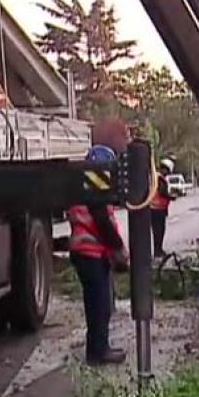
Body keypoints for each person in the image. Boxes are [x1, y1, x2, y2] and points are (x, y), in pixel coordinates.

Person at [68, 125, 130, 366]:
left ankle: (100, 347)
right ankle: (97, 352)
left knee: (99, 304)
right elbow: (102, 222)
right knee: (99, 306)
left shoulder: (82, 187)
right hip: (90, 253)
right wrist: (118, 249)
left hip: (87, 253)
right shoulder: (96, 192)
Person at [151, 159, 177, 258]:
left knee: (157, 231)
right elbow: (162, 193)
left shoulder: (156, 177)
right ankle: (158, 251)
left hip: (155, 209)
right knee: (159, 231)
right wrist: (171, 197)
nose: (168, 174)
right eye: (168, 171)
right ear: (165, 169)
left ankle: (158, 250)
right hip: (158, 209)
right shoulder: (160, 179)